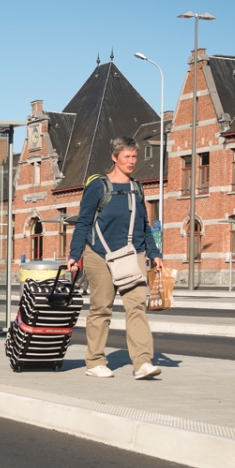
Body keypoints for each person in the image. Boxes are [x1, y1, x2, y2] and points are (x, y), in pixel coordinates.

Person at [66, 136, 163, 379]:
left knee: (137, 306)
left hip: (133, 254)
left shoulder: (137, 188)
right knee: (101, 308)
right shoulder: (98, 186)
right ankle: (95, 361)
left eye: (134, 157)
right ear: (114, 157)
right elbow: (84, 222)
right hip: (99, 256)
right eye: (127, 157)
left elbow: (144, 225)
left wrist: (154, 253)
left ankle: (142, 362)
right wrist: (74, 255)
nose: (132, 162)